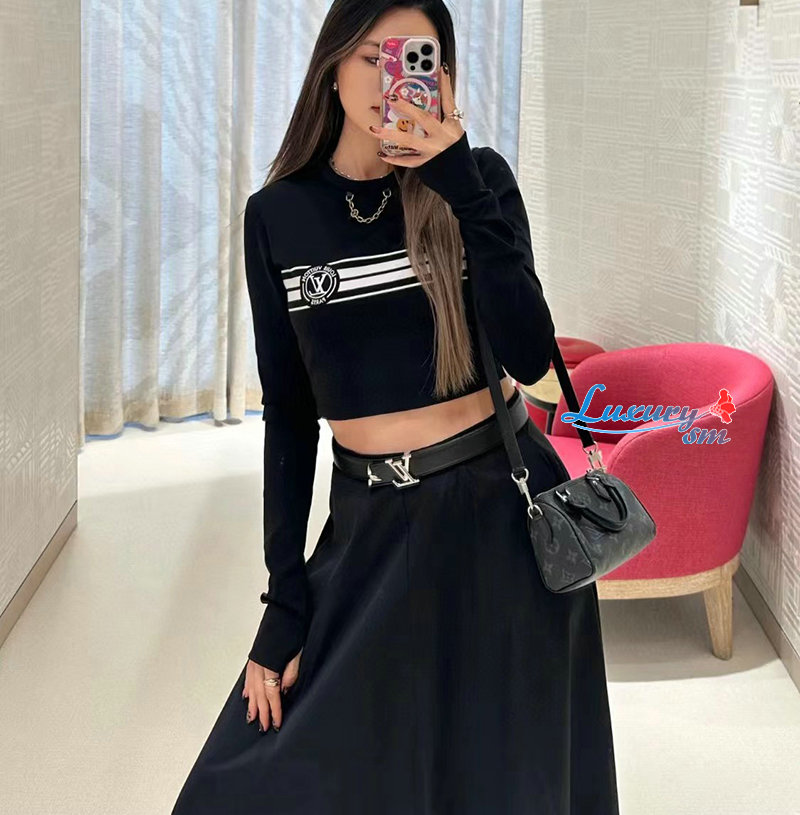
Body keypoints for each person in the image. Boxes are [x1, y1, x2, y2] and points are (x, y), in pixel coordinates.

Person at [171, 1, 619, 813]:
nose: (393, 78)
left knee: (504, 778)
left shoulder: (479, 181)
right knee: (250, 780)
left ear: (442, 75)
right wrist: (285, 596)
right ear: (332, 66)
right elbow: (289, 415)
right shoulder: (279, 215)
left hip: (503, 512)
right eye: (374, 56)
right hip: (370, 523)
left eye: (418, 57)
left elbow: (529, 354)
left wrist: (463, 190)